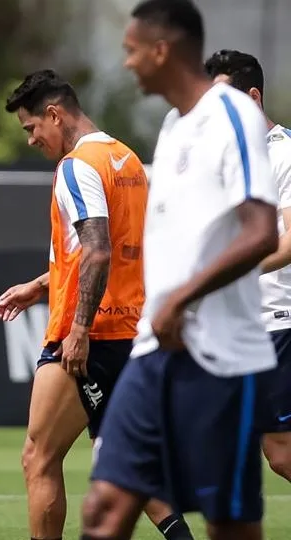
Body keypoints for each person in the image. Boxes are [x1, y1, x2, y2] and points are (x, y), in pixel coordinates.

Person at [82, 2, 278, 539]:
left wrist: (180, 298)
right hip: (154, 353)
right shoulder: (172, 127)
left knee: (229, 525)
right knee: (105, 505)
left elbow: (262, 231)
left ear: (162, 49)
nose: (126, 63)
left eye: (131, 50)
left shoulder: (232, 115)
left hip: (221, 358)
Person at [0, 69, 193, 540]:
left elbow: (99, 249)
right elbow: (119, 249)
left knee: (38, 457)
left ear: (54, 113)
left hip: (86, 334)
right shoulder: (126, 159)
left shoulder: (76, 166)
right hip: (131, 330)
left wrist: (79, 329)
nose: (32, 141)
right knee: (119, 457)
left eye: (32, 129)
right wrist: (42, 284)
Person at [205, 48, 291, 483]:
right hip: (240, 324)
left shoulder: (285, 154)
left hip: (280, 320)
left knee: (280, 453)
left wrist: (234, 272)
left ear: (253, 97)